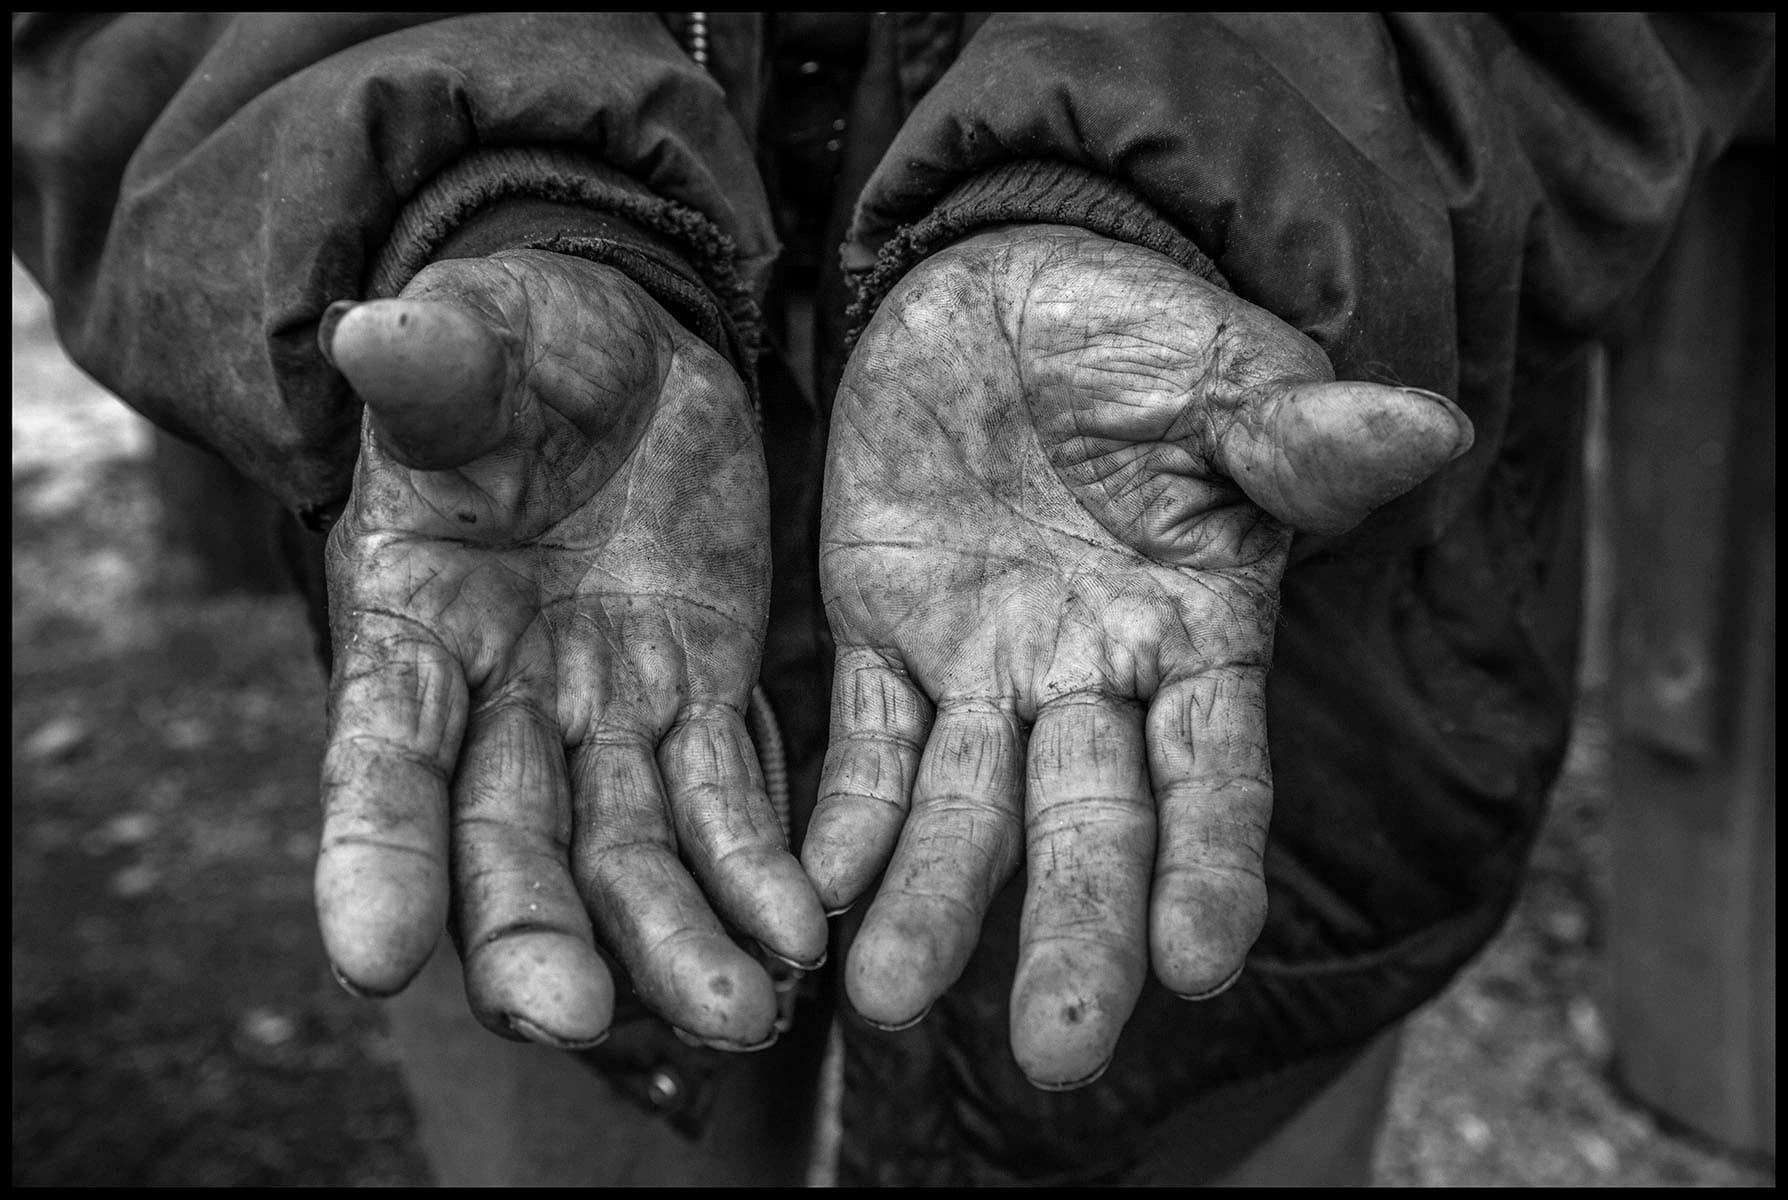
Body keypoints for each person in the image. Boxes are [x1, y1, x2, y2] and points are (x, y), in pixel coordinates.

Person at [13, 12, 1774, 1188]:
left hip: (1261, 619)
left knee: (1167, 1052)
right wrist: (455, 179)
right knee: (572, 1040)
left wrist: (1173, 180)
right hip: (522, 594)